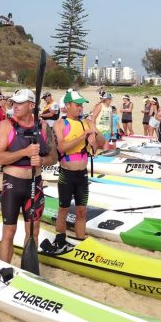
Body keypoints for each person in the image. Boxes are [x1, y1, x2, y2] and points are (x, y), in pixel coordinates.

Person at [0, 89, 53, 263]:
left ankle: (28, 268)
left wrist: (41, 160)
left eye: (19, 103)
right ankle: (5, 268)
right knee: (9, 231)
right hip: (13, 184)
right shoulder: (6, 125)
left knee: (33, 231)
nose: (15, 106)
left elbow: (54, 157)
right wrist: (25, 152)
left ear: (31, 105)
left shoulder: (43, 127)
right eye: (14, 103)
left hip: (35, 184)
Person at [53, 90, 104, 245]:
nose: (80, 108)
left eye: (81, 105)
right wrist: (83, 136)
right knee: (63, 210)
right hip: (66, 174)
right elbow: (61, 148)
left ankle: (80, 240)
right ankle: (60, 238)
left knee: (82, 211)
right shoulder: (60, 124)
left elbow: (102, 143)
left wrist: (94, 131)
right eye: (77, 105)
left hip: (82, 174)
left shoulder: (87, 123)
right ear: (67, 105)